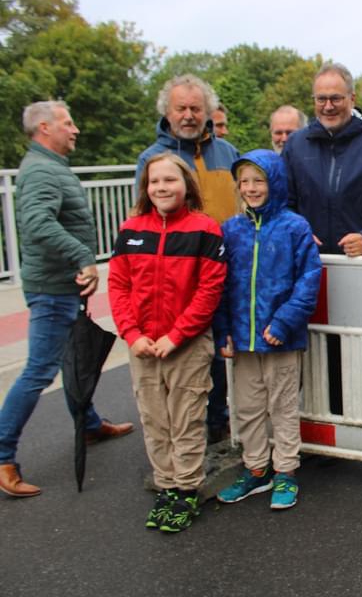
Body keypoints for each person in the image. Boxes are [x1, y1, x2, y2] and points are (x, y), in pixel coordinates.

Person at [283, 61, 362, 482]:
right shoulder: (297, 144)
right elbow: (283, 200)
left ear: (352, 99)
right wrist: (300, 231)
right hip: (312, 267)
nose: (328, 105)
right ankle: (330, 438)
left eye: (336, 98)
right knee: (322, 353)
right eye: (321, 98)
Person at [0, 101, 134, 498]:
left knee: (70, 357)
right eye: (68, 123)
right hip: (53, 288)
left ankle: (89, 425)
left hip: (60, 286)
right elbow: (37, 224)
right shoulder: (41, 171)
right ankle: (4, 455)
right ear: (44, 128)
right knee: (40, 370)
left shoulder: (49, 166)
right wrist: (83, 258)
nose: (75, 130)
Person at [108, 153, 226, 533]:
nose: (161, 187)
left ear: (186, 185)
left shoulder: (205, 230)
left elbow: (209, 290)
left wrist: (177, 335)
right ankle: (166, 484)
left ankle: (188, 488)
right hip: (143, 345)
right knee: (154, 419)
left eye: (169, 180)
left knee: (186, 418)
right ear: (145, 187)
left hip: (186, 345)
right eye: (154, 181)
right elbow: (119, 286)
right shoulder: (130, 230)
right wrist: (132, 334)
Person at [214, 150, 322, 510]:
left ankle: (286, 471)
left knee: (283, 406)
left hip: (281, 337)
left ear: (274, 182)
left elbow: (308, 280)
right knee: (246, 406)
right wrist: (224, 329)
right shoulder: (231, 230)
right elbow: (222, 285)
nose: (250, 188)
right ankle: (256, 468)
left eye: (258, 180)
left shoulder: (294, 227)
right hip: (243, 339)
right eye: (244, 181)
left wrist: (284, 321)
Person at [138, 74, 240, 443]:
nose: (188, 115)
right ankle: (186, 435)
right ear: (167, 111)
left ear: (208, 111)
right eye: (181, 108)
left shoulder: (227, 154)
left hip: (227, 268)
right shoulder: (153, 160)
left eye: (196, 108)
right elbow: (143, 218)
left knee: (224, 349)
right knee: (188, 356)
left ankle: (221, 422)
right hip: (180, 276)